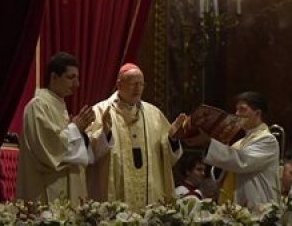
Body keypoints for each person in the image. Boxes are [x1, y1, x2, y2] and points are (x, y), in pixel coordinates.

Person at [86, 62, 186, 209]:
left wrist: (172, 139)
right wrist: (105, 134)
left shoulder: (154, 114)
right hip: (116, 192)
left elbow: (167, 157)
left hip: (150, 195)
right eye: (133, 83)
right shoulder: (100, 111)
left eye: (141, 84)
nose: (138, 88)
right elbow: (87, 154)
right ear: (119, 84)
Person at [16, 51, 111, 204]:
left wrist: (101, 133)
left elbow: (79, 154)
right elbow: (49, 149)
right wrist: (75, 128)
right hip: (46, 190)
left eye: (77, 78)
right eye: (71, 77)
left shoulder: (59, 107)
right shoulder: (38, 106)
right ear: (54, 77)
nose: (77, 84)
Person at [186, 91, 280, 210]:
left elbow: (242, 161)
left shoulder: (267, 140)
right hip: (237, 206)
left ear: (257, 113)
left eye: (242, 109)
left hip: (259, 207)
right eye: (236, 109)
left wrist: (209, 143)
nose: (237, 114)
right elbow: (222, 173)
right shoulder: (239, 143)